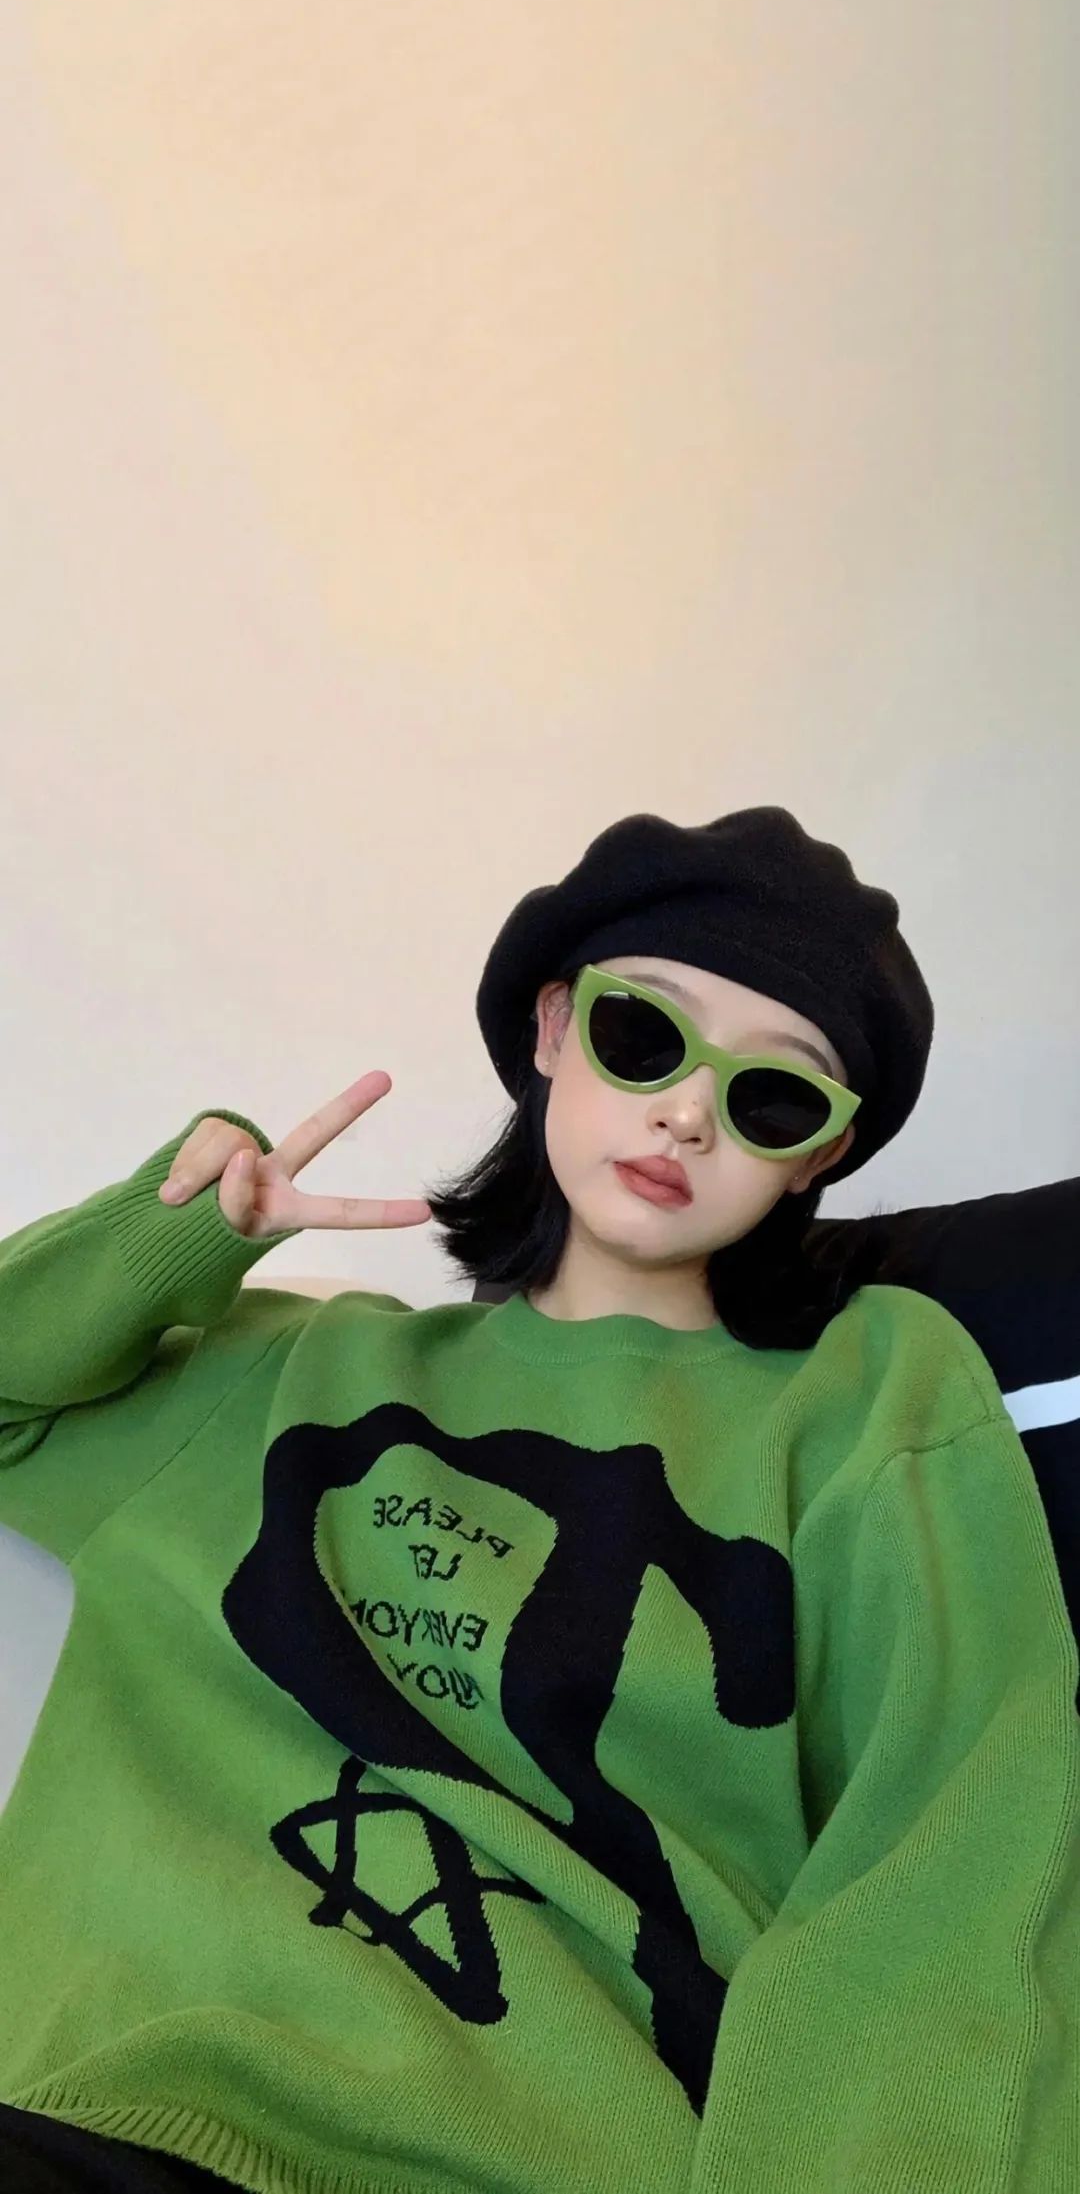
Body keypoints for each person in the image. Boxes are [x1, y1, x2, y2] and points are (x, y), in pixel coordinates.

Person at [0, 804, 1078, 2194]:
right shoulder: (281, 1371)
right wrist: (168, 1235)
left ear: (817, 1156)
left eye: (774, 1096)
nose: (689, 1111)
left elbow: (958, 1848)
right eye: (645, 1034)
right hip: (110, 2115)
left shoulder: (868, 1394)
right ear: (556, 1026)